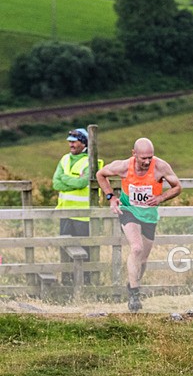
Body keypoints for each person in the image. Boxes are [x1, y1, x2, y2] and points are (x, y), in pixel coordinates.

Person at [97, 138, 182, 311]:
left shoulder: (160, 166)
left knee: (142, 259)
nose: (147, 161)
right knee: (136, 248)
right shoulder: (123, 166)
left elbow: (177, 187)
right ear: (133, 153)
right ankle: (134, 295)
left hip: (149, 215)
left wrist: (161, 198)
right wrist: (111, 198)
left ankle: (133, 282)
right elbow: (101, 174)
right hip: (129, 211)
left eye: (150, 157)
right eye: (143, 158)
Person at [53, 128, 101, 284]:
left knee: (85, 252)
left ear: (84, 143)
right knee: (65, 249)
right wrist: (72, 182)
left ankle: (87, 283)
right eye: (69, 142)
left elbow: (82, 183)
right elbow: (55, 183)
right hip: (65, 213)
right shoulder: (64, 159)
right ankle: (67, 282)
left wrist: (65, 179)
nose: (71, 144)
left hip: (84, 216)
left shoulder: (92, 162)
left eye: (74, 141)